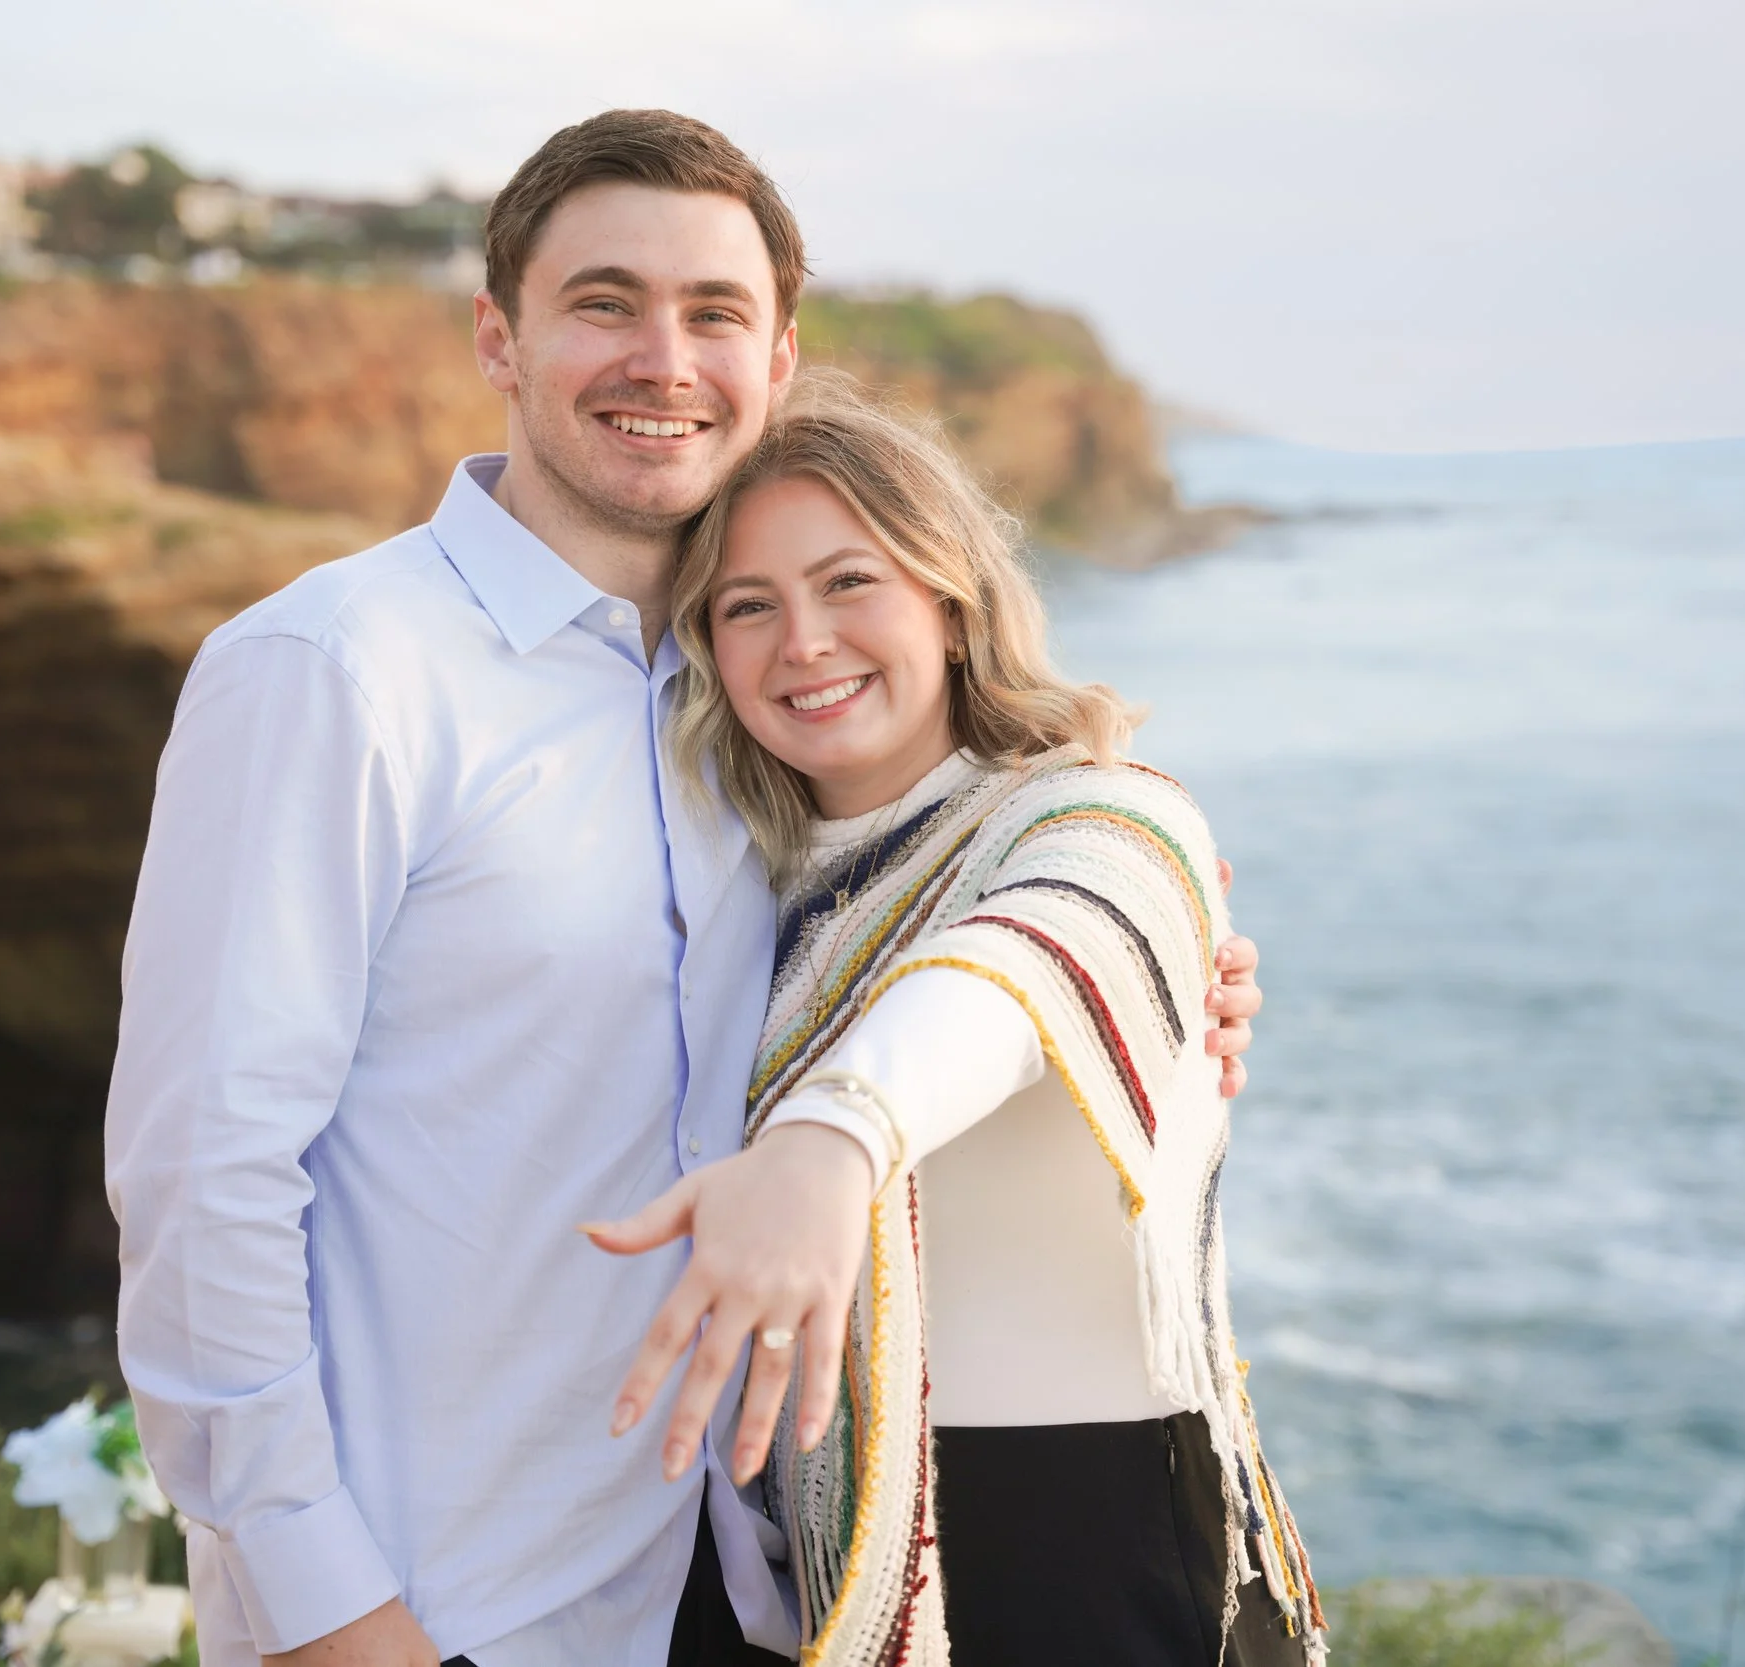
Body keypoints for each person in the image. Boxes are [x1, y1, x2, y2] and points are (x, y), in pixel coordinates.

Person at [103, 111, 1266, 1667]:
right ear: (498, 339)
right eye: (603, 302)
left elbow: (942, 935)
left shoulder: (745, 722)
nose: (663, 357)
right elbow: (203, 1184)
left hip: (737, 1593)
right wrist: (332, 1618)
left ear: (777, 359)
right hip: (442, 1606)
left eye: (714, 312)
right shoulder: (333, 671)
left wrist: (1137, 989)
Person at [588, 372, 1323, 1666]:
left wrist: (832, 1136)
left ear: (949, 590)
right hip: (789, 1559)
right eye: (746, 607)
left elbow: (1013, 963)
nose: (801, 640)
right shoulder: (744, 890)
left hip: (1078, 1541)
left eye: (849, 581)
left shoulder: (1105, 816)